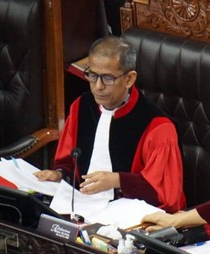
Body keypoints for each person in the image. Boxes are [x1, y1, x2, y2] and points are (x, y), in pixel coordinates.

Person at [35, 36, 185, 213]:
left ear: (129, 79)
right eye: (92, 75)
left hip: (129, 216)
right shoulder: (82, 106)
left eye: (107, 78)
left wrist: (118, 181)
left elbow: (165, 196)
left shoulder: (157, 127)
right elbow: (69, 162)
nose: (97, 87)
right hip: (81, 206)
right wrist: (59, 175)